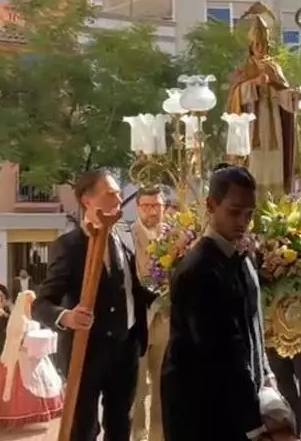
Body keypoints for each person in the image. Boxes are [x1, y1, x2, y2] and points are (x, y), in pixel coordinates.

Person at [162, 164, 295, 441]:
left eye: (249, 214)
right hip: (201, 411)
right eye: (234, 212)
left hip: (231, 401)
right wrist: (254, 426)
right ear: (211, 205)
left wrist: (267, 380)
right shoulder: (199, 269)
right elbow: (221, 355)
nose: (242, 222)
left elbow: (253, 330)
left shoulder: (241, 258)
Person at [32, 169, 157, 441]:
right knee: (85, 428)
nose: (118, 197)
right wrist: (66, 317)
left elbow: (132, 290)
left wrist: (168, 290)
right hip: (87, 353)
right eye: (110, 193)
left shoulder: (123, 240)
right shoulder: (69, 246)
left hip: (126, 349)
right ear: (87, 201)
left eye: (117, 192)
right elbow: (41, 304)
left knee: (121, 424)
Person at [225, 2, 299, 196]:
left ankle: (275, 205)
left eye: (263, 44)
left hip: (274, 125)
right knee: (254, 165)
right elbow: (235, 96)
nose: (260, 48)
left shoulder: (275, 68)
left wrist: (291, 96)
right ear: (251, 46)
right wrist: (254, 83)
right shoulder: (245, 69)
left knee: (274, 163)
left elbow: (283, 94)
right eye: (256, 44)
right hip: (252, 126)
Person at [0, 291, 64, 429]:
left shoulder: (34, 318)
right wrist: (24, 344)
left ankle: (37, 413)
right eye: (29, 302)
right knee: (19, 385)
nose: (31, 305)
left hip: (35, 356)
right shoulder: (18, 318)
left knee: (43, 382)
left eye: (33, 303)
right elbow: (13, 338)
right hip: (20, 357)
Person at [131, 186, 168, 441]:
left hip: (166, 320)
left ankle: (160, 436)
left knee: (163, 385)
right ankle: (138, 435)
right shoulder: (126, 236)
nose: (152, 211)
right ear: (138, 208)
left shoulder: (175, 236)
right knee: (137, 388)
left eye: (156, 205)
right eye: (146, 206)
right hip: (137, 321)